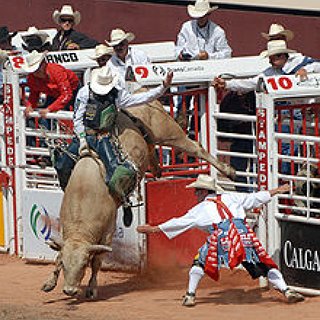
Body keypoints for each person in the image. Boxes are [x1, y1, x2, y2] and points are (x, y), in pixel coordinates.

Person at [137, 174, 305, 306]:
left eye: (197, 191)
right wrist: (277, 190)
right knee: (264, 263)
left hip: (221, 237)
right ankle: (287, 290)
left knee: (199, 262)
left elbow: (178, 223)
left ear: (203, 192)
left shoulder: (199, 209)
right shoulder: (232, 197)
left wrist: (153, 229)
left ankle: (190, 295)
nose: (195, 195)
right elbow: (256, 197)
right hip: (243, 235)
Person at [55, 65, 173, 193]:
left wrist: (163, 87)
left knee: (118, 173)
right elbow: (77, 119)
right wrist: (82, 138)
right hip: (85, 134)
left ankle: (124, 200)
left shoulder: (116, 94)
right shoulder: (84, 92)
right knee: (62, 165)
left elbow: (141, 98)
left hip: (104, 137)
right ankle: (66, 190)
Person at [23, 50, 79, 117]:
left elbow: (67, 94)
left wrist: (50, 109)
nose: (36, 73)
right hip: (53, 94)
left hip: (73, 91)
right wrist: (30, 106)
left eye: (37, 69)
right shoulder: (31, 78)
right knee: (46, 116)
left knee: (76, 114)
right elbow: (34, 93)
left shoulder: (57, 71)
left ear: (44, 64)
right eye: (33, 70)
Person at [0, 26, 18, 103]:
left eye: (8, 40)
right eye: (3, 42)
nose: (8, 42)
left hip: (20, 87)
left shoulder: (17, 52)